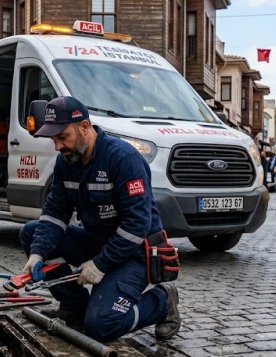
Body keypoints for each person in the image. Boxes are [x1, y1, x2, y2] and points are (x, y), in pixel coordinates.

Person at [19, 96, 180, 342]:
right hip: (98, 243)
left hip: (134, 253)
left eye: (62, 137)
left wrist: (101, 264)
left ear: (85, 127)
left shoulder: (123, 158)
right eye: (53, 140)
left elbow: (137, 225)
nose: (57, 147)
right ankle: (75, 307)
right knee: (31, 233)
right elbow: (54, 213)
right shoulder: (66, 162)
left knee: (102, 325)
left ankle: (162, 301)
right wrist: (37, 253)